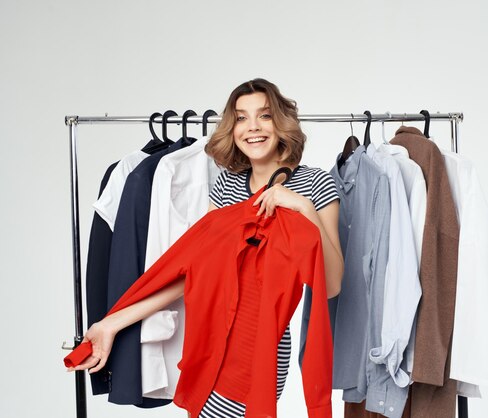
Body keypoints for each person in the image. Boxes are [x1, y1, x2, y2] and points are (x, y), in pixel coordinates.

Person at [67, 78, 344, 418]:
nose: (252, 128)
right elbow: (194, 273)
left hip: (258, 346)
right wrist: (111, 323)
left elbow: (331, 284)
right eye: (241, 118)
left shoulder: (313, 183)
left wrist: (303, 208)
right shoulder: (227, 185)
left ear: (281, 123)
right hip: (209, 339)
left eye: (264, 116)